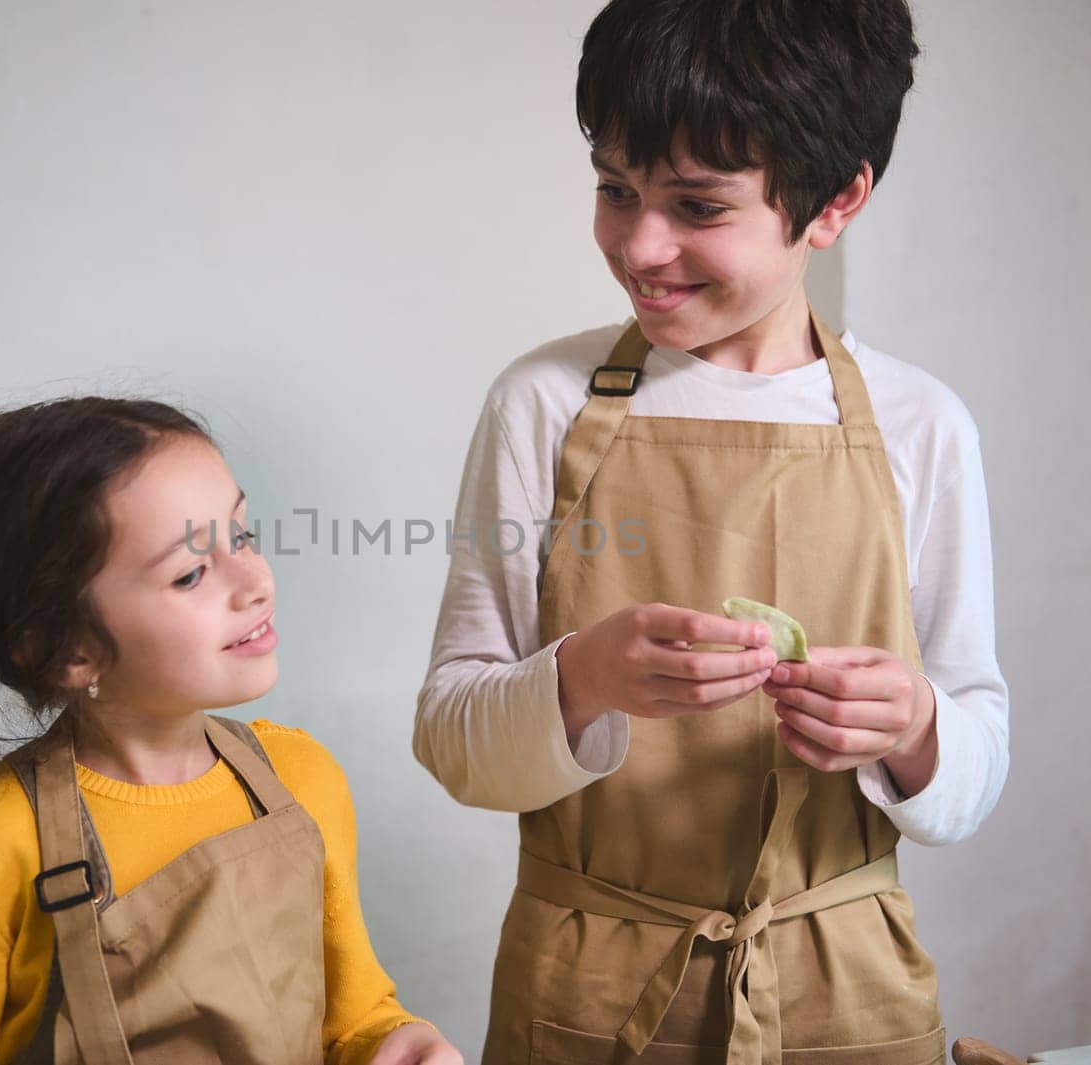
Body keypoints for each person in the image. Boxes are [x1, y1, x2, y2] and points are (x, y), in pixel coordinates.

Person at [413, 1, 1009, 1061]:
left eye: (696, 205)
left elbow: (972, 773)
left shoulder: (921, 426)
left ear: (835, 201)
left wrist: (914, 725)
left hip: (848, 992)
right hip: (584, 993)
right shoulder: (542, 405)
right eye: (614, 188)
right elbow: (453, 740)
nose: (640, 245)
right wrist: (581, 679)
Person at [0, 397, 461, 1065]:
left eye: (243, 535)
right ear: (67, 650)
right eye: (190, 573)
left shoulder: (302, 778)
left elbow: (355, 1018)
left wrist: (395, 1044)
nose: (254, 580)